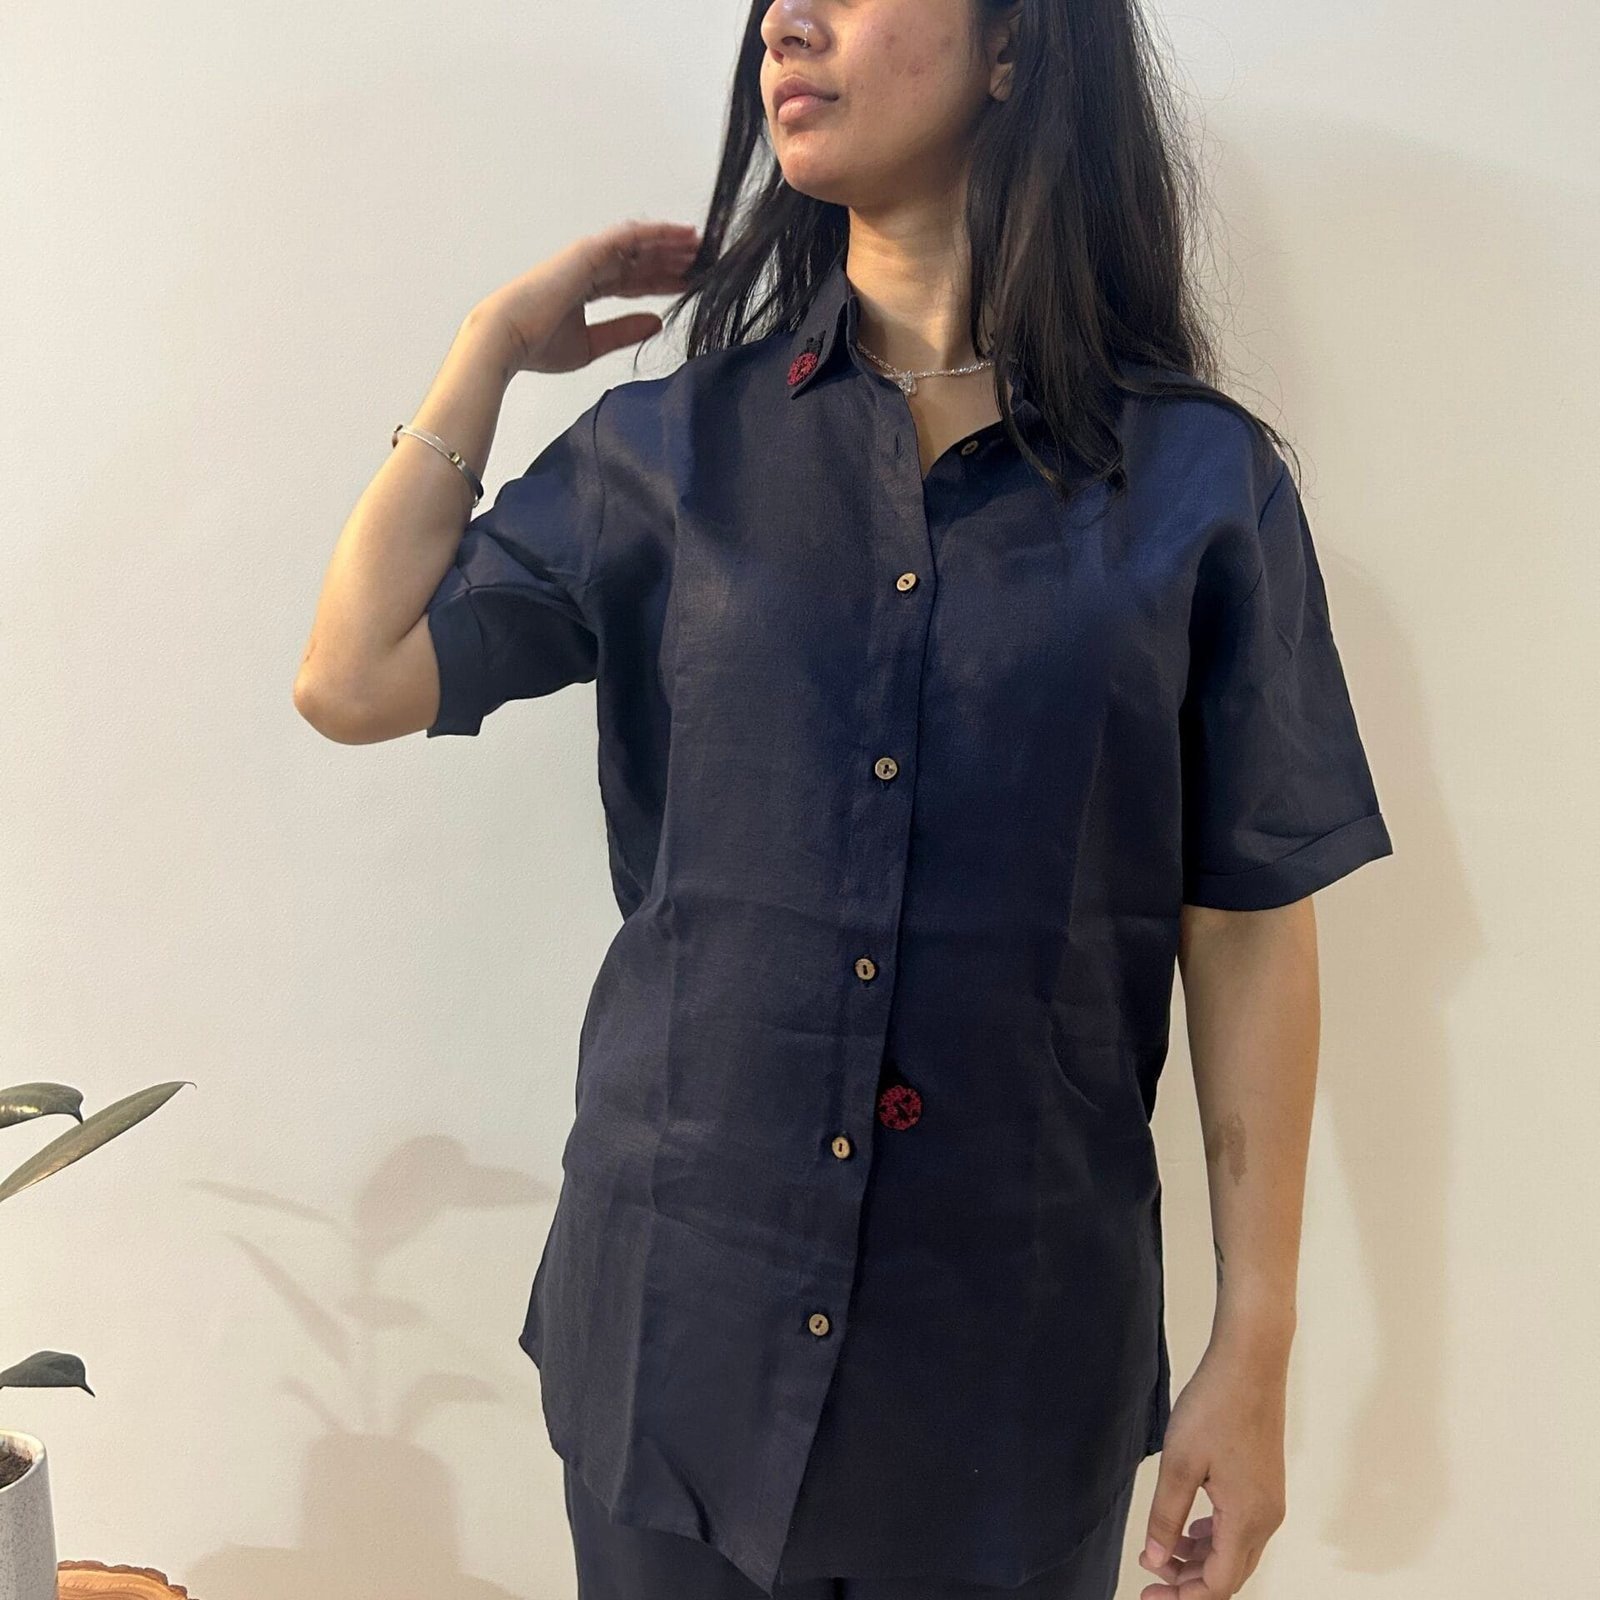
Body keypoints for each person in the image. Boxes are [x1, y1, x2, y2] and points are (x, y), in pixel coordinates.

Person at [293, 0, 1395, 1595]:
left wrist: (1258, 1339)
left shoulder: (1199, 489)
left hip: (1008, 1369)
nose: (784, 22)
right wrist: (488, 348)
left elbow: (1247, 921)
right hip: (678, 1340)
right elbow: (351, 676)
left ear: (1015, 47)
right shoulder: (669, 452)